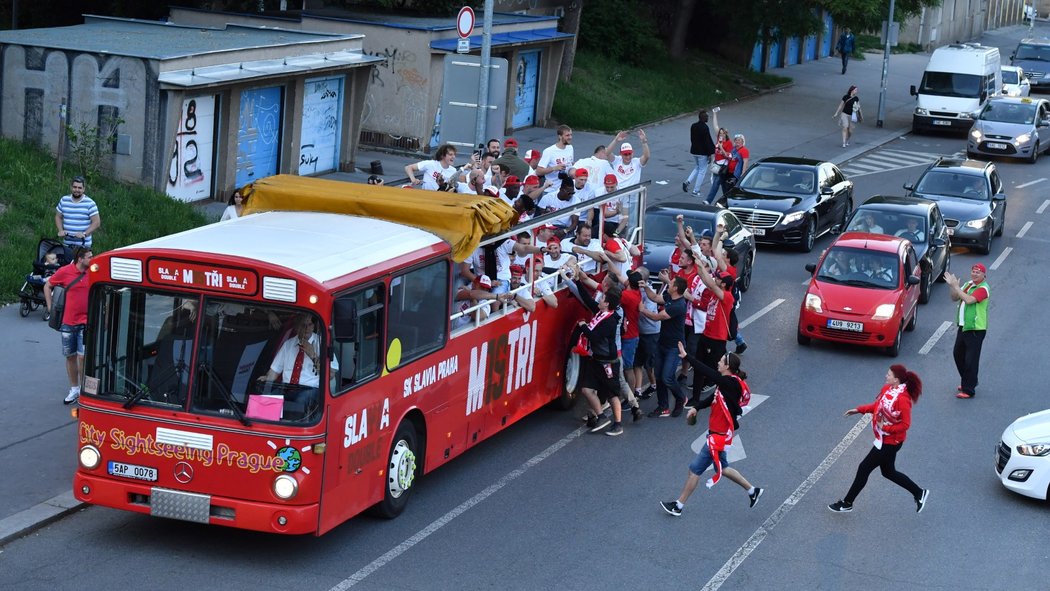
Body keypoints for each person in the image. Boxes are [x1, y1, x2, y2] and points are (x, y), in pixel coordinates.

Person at [661, 343, 762, 516]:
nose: (718, 362)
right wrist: (697, 407)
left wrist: (687, 357)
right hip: (719, 434)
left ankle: (678, 506)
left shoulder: (728, 382)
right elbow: (714, 397)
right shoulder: (729, 383)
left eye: (721, 361)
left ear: (727, 367)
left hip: (718, 436)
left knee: (694, 470)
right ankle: (753, 491)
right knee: (723, 467)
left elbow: (705, 371)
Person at [828, 364, 929, 514]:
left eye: (889, 374)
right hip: (884, 440)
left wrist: (885, 428)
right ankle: (919, 493)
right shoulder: (887, 389)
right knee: (888, 472)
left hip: (890, 443)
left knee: (864, 468)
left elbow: (905, 424)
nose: (885, 376)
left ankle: (847, 503)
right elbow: (878, 406)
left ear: (896, 379)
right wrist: (859, 410)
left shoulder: (903, 399)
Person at [43, 246, 92, 404]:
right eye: (89, 257)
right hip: (68, 322)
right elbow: (47, 285)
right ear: (80, 259)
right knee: (70, 356)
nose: (92, 259)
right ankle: (74, 389)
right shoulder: (65, 271)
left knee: (83, 356)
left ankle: (84, 390)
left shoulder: (93, 272)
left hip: (86, 322)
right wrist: (50, 307)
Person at [639, 274, 688, 418]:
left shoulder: (678, 305)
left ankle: (680, 398)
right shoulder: (669, 297)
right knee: (659, 376)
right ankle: (663, 406)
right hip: (662, 343)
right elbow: (654, 298)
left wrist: (642, 309)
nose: (669, 284)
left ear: (676, 288)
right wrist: (646, 287)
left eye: (671, 283)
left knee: (667, 377)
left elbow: (656, 317)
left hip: (674, 347)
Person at [945, 263, 990, 399]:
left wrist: (957, 287)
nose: (975, 274)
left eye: (978, 272)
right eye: (973, 271)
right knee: (957, 354)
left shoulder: (983, 288)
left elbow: (969, 300)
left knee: (971, 359)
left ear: (984, 275)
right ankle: (968, 380)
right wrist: (953, 287)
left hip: (976, 329)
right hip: (964, 326)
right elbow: (955, 298)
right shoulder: (969, 284)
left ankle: (969, 389)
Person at [55, 176, 101, 251]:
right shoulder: (64, 200)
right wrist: (60, 230)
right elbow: (58, 217)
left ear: (84, 189)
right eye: (75, 187)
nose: (77, 190)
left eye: (79, 188)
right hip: (67, 244)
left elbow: (96, 222)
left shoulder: (90, 203)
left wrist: (84, 234)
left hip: (84, 246)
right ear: (71, 187)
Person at [684, 108, 717, 196]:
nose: (708, 118)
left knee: (698, 167)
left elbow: (692, 138)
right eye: (707, 116)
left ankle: (687, 182)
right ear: (703, 118)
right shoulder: (705, 128)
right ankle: (696, 190)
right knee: (702, 170)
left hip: (694, 151)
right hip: (702, 153)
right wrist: (710, 153)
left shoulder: (693, 126)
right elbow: (707, 141)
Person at [535, 125, 574, 196]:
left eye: (571, 135)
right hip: (551, 191)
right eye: (567, 135)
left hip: (565, 191)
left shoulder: (570, 148)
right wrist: (554, 168)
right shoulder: (549, 151)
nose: (570, 137)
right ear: (560, 136)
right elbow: (538, 171)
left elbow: (570, 164)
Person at [705, 127, 734, 205]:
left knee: (716, 183)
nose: (721, 134)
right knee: (724, 185)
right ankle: (727, 200)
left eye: (723, 133)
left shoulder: (729, 143)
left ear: (726, 134)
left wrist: (721, 148)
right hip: (717, 165)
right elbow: (715, 126)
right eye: (720, 133)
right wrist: (714, 115)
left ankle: (708, 200)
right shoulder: (719, 140)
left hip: (723, 166)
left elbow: (729, 156)